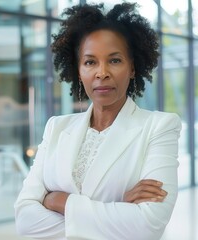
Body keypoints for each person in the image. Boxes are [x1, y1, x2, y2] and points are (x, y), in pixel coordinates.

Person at [14, 3, 181, 240]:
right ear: (78, 70)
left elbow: (146, 226)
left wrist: (56, 200)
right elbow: (25, 223)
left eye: (114, 60)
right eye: (90, 62)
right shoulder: (56, 128)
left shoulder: (159, 127)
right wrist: (117, 207)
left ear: (132, 68)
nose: (102, 73)